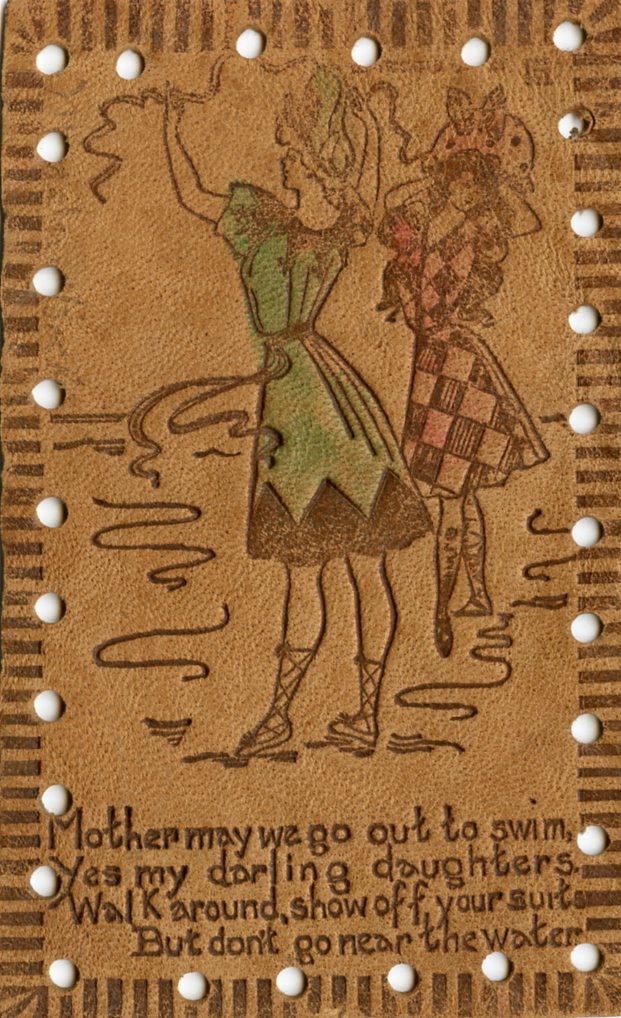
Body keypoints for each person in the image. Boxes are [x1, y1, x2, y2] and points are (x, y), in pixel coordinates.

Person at [134, 64, 431, 756]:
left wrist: (169, 124)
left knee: (322, 567)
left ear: (317, 168)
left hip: (301, 403)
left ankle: (295, 716)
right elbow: (201, 194)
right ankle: (337, 716)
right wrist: (171, 125)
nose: (284, 162)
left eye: (294, 155)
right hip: (330, 396)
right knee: (351, 565)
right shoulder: (309, 233)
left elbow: (194, 195)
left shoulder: (277, 232)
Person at [377, 87, 548, 658]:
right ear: (446, 180)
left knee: (454, 493)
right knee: (460, 494)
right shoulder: (422, 231)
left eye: (476, 184)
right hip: (433, 368)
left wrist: (496, 165)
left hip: (457, 368)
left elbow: (526, 220)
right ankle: (473, 594)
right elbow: (396, 205)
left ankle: (443, 608)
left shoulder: (476, 233)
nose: (465, 192)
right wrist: (450, 151)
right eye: (458, 180)